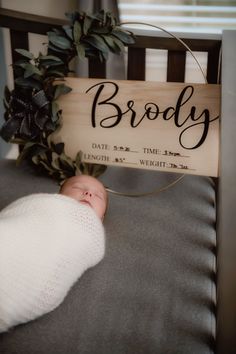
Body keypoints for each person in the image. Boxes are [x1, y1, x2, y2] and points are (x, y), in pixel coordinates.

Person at [0, 175, 107, 333]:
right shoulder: (47, 205)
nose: (88, 194)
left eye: (98, 195)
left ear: (102, 218)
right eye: (77, 187)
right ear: (59, 197)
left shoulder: (88, 233)